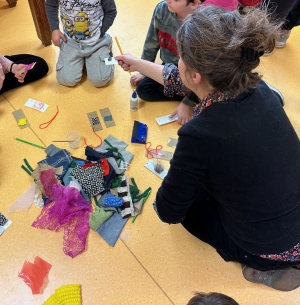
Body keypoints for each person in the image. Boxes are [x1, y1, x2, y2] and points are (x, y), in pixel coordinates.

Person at [116, 6, 300, 291]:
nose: (176, 64)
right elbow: (177, 79)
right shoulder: (260, 89)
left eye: (180, 59)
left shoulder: (199, 134)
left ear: (196, 76)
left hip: (269, 248)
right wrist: (137, 63)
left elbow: (169, 211)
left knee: (190, 209)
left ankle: (262, 267)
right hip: (292, 222)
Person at [131, 0, 238, 125]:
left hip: (194, 73)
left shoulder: (203, 25)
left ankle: (192, 95)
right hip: (174, 69)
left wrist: (186, 103)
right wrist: (144, 68)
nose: (168, 0)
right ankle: (193, 94)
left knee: (205, 90)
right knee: (144, 89)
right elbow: (151, 40)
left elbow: (201, 75)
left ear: (194, 4)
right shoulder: (162, 9)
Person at [45, 0, 116, 87]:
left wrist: (100, 32)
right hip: (70, 42)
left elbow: (111, 11)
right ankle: (86, 61)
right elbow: (51, 5)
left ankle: (107, 53)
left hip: (97, 42)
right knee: (65, 80)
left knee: (101, 80)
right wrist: (55, 29)